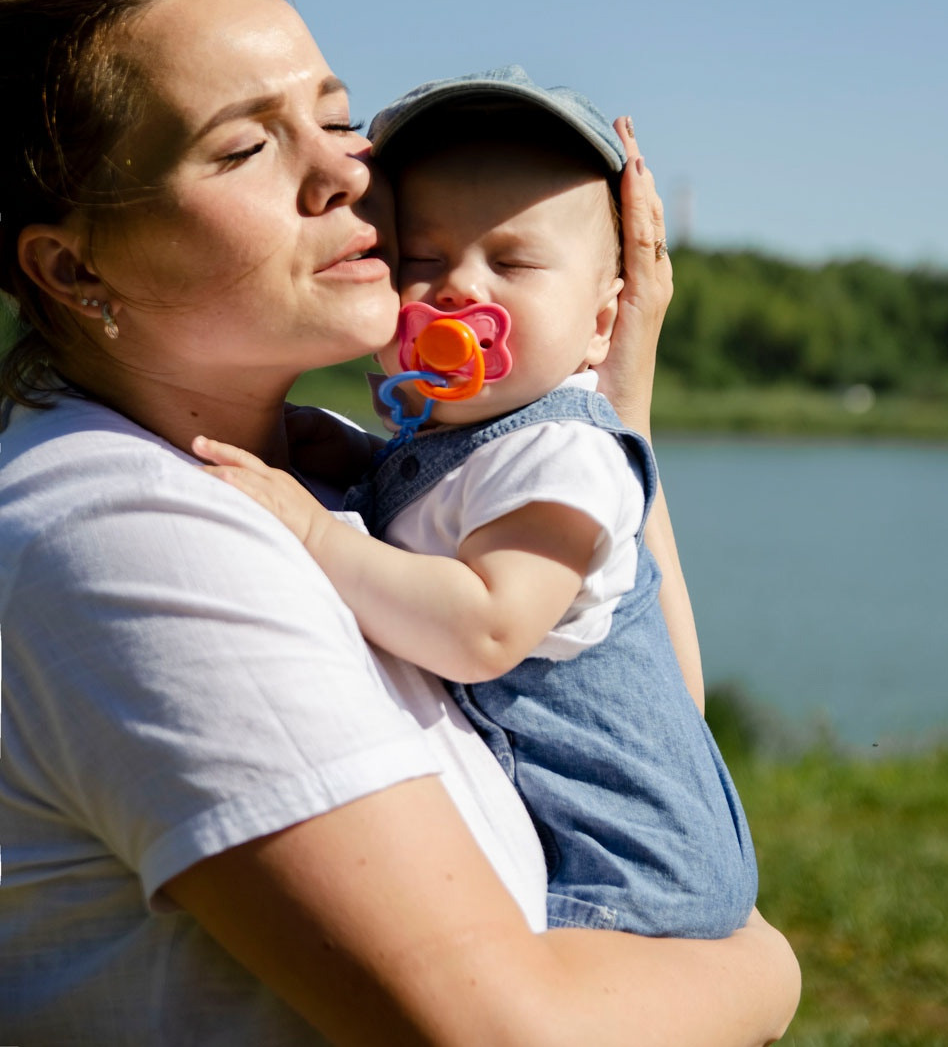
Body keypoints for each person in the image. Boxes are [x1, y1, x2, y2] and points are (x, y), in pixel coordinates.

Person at [0, 0, 800, 1046]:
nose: (345, 172)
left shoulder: (326, 468)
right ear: (73, 267)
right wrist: (759, 963)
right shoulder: (128, 538)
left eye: (337, 119)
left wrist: (604, 398)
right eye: (245, 147)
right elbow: (501, 1036)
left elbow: (648, 686)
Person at [195, 68, 758, 939]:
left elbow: (483, 626)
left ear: (601, 325)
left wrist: (314, 528)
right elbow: (452, 509)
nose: (458, 287)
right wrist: (360, 460)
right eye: (422, 260)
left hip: (628, 867)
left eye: (513, 261)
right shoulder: (479, 445)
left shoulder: (566, 457)